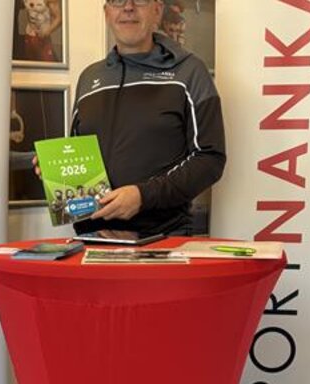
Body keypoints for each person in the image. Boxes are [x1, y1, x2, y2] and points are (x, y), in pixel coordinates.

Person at [65, 0, 225, 237]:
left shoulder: (190, 72)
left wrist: (143, 196)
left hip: (163, 238)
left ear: (157, 11)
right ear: (107, 13)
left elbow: (210, 159)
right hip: (94, 238)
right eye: (117, 1)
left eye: (139, 0)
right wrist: (56, 169)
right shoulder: (89, 78)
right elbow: (76, 154)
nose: (128, 7)